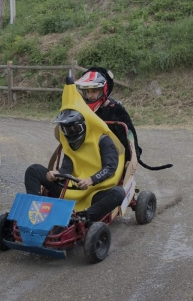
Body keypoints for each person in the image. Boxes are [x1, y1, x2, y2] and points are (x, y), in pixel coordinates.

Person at [24, 75, 126, 223]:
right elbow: (67, 167)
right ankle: (34, 209)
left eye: (74, 128)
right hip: (71, 188)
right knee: (33, 170)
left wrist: (91, 180)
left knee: (118, 193)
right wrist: (58, 174)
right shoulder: (70, 142)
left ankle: (85, 217)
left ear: (84, 126)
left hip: (94, 190)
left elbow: (110, 167)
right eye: (66, 129)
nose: (70, 133)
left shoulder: (103, 140)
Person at [75, 67, 172, 171]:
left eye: (94, 91)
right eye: (87, 91)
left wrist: (130, 158)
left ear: (103, 90)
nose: (90, 95)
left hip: (114, 158)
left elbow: (129, 136)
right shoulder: (83, 110)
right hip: (91, 157)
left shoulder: (116, 110)